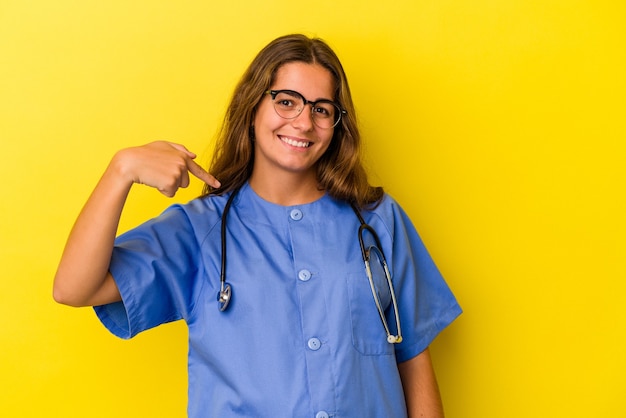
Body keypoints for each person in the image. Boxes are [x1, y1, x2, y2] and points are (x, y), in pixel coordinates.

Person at [53, 33, 462, 418]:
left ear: (337, 125)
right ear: (252, 108)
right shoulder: (200, 231)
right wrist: (120, 170)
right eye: (287, 101)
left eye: (321, 109)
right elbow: (74, 288)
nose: (303, 123)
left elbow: (413, 357)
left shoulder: (375, 219)